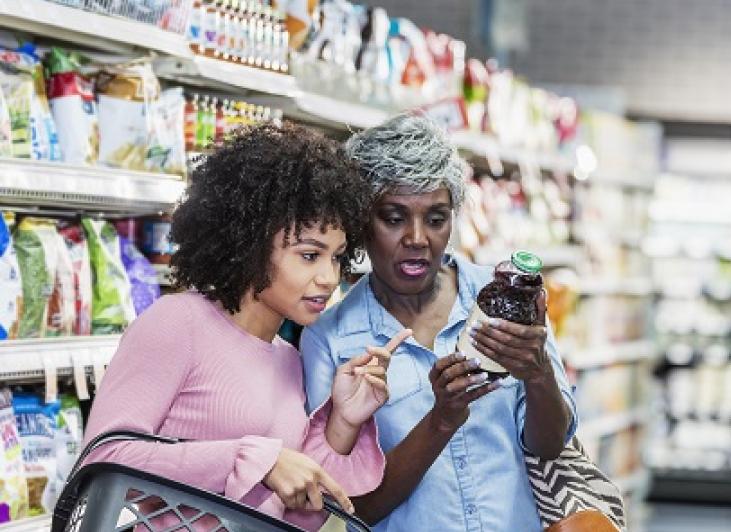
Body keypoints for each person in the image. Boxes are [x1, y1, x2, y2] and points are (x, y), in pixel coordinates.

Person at [82, 123, 402, 531]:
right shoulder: (177, 323)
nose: (328, 277)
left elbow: (301, 514)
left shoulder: (288, 360)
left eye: (337, 257)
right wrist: (252, 460)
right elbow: (103, 459)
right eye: (309, 255)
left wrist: (343, 422)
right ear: (251, 243)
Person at [302, 114, 577, 531]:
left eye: (436, 218)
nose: (417, 238)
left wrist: (538, 375)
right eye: (394, 218)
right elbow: (351, 509)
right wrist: (441, 420)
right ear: (360, 221)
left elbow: (550, 445)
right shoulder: (332, 341)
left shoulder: (504, 300)